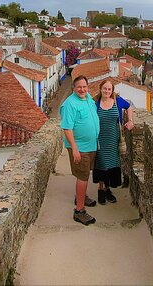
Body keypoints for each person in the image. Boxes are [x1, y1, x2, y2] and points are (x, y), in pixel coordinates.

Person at [60, 75, 100, 225]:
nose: (82, 89)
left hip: (91, 145)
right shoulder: (69, 104)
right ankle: (79, 211)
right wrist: (75, 149)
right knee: (82, 177)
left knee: (85, 175)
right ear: (73, 88)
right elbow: (67, 128)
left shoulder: (88, 98)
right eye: (79, 87)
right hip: (80, 148)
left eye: (84, 87)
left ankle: (80, 197)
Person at [93, 79, 133, 205]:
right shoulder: (95, 103)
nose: (107, 91)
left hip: (114, 138)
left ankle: (107, 189)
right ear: (101, 89)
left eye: (109, 89)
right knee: (101, 164)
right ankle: (101, 189)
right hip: (99, 138)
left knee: (111, 164)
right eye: (105, 88)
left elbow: (129, 107)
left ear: (112, 90)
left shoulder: (117, 101)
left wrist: (130, 120)